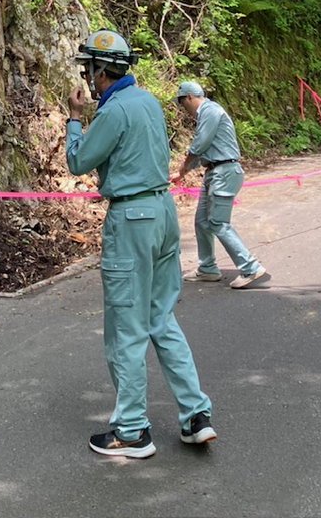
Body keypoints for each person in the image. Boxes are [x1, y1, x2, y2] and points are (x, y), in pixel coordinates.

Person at [66, 30, 216, 459]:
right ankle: (195, 416)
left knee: (126, 331)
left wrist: (76, 118)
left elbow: (78, 161)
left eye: (89, 70)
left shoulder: (112, 112)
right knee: (160, 319)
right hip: (164, 213)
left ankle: (131, 432)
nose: (88, 79)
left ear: (98, 70)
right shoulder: (149, 102)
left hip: (131, 219)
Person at [170, 81, 269, 289]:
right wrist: (182, 173)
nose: (183, 108)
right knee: (202, 222)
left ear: (189, 97)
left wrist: (181, 171)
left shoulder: (210, 111)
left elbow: (199, 145)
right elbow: (202, 151)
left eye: (182, 102)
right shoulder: (207, 113)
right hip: (214, 171)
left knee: (218, 222)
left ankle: (250, 267)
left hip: (225, 171)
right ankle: (207, 268)